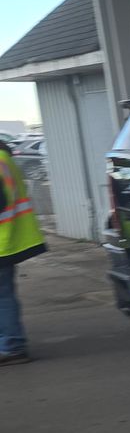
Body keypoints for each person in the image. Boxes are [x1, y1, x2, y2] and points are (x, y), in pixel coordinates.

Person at [0, 140, 47, 365]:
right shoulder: (3, 157)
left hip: (3, 241)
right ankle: (10, 343)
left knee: (3, 297)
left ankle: (12, 346)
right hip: (7, 239)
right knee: (4, 295)